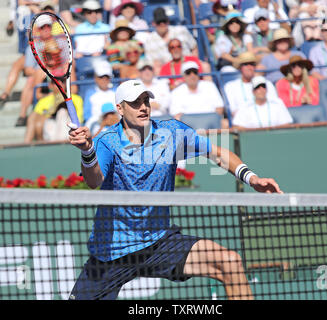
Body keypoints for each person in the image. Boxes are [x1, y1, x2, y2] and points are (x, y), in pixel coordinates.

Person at [67, 78, 283, 300]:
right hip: (113, 251)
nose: (143, 107)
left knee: (230, 262)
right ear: (120, 108)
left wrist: (252, 178)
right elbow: (94, 181)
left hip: (158, 242)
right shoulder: (106, 141)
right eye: (135, 103)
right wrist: (87, 151)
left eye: (145, 101)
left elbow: (217, 153)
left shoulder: (171, 132)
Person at [224, 51, 279, 120]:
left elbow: (275, 104)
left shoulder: (267, 84)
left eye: (252, 64)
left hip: (266, 120)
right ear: (240, 67)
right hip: (242, 122)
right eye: (246, 64)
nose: (249, 67)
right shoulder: (230, 86)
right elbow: (232, 110)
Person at [144, 7, 198, 75]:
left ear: (168, 21)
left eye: (164, 21)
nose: (162, 24)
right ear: (153, 23)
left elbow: (194, 47)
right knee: (156, 69)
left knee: (205, 65)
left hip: (187, 66)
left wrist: (194, 61)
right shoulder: (149, 40)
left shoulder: (181, 30)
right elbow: (151, 63)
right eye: (159, 22)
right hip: (166, 71)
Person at [84, 60, 117, 132]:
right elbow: (87, 116)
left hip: (116, 125)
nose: (104, 79)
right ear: (95, 77)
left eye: (107, 77)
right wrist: (103, 122)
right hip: (96, 127)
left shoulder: (116, 92)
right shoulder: (90, 94)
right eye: (101, 77)